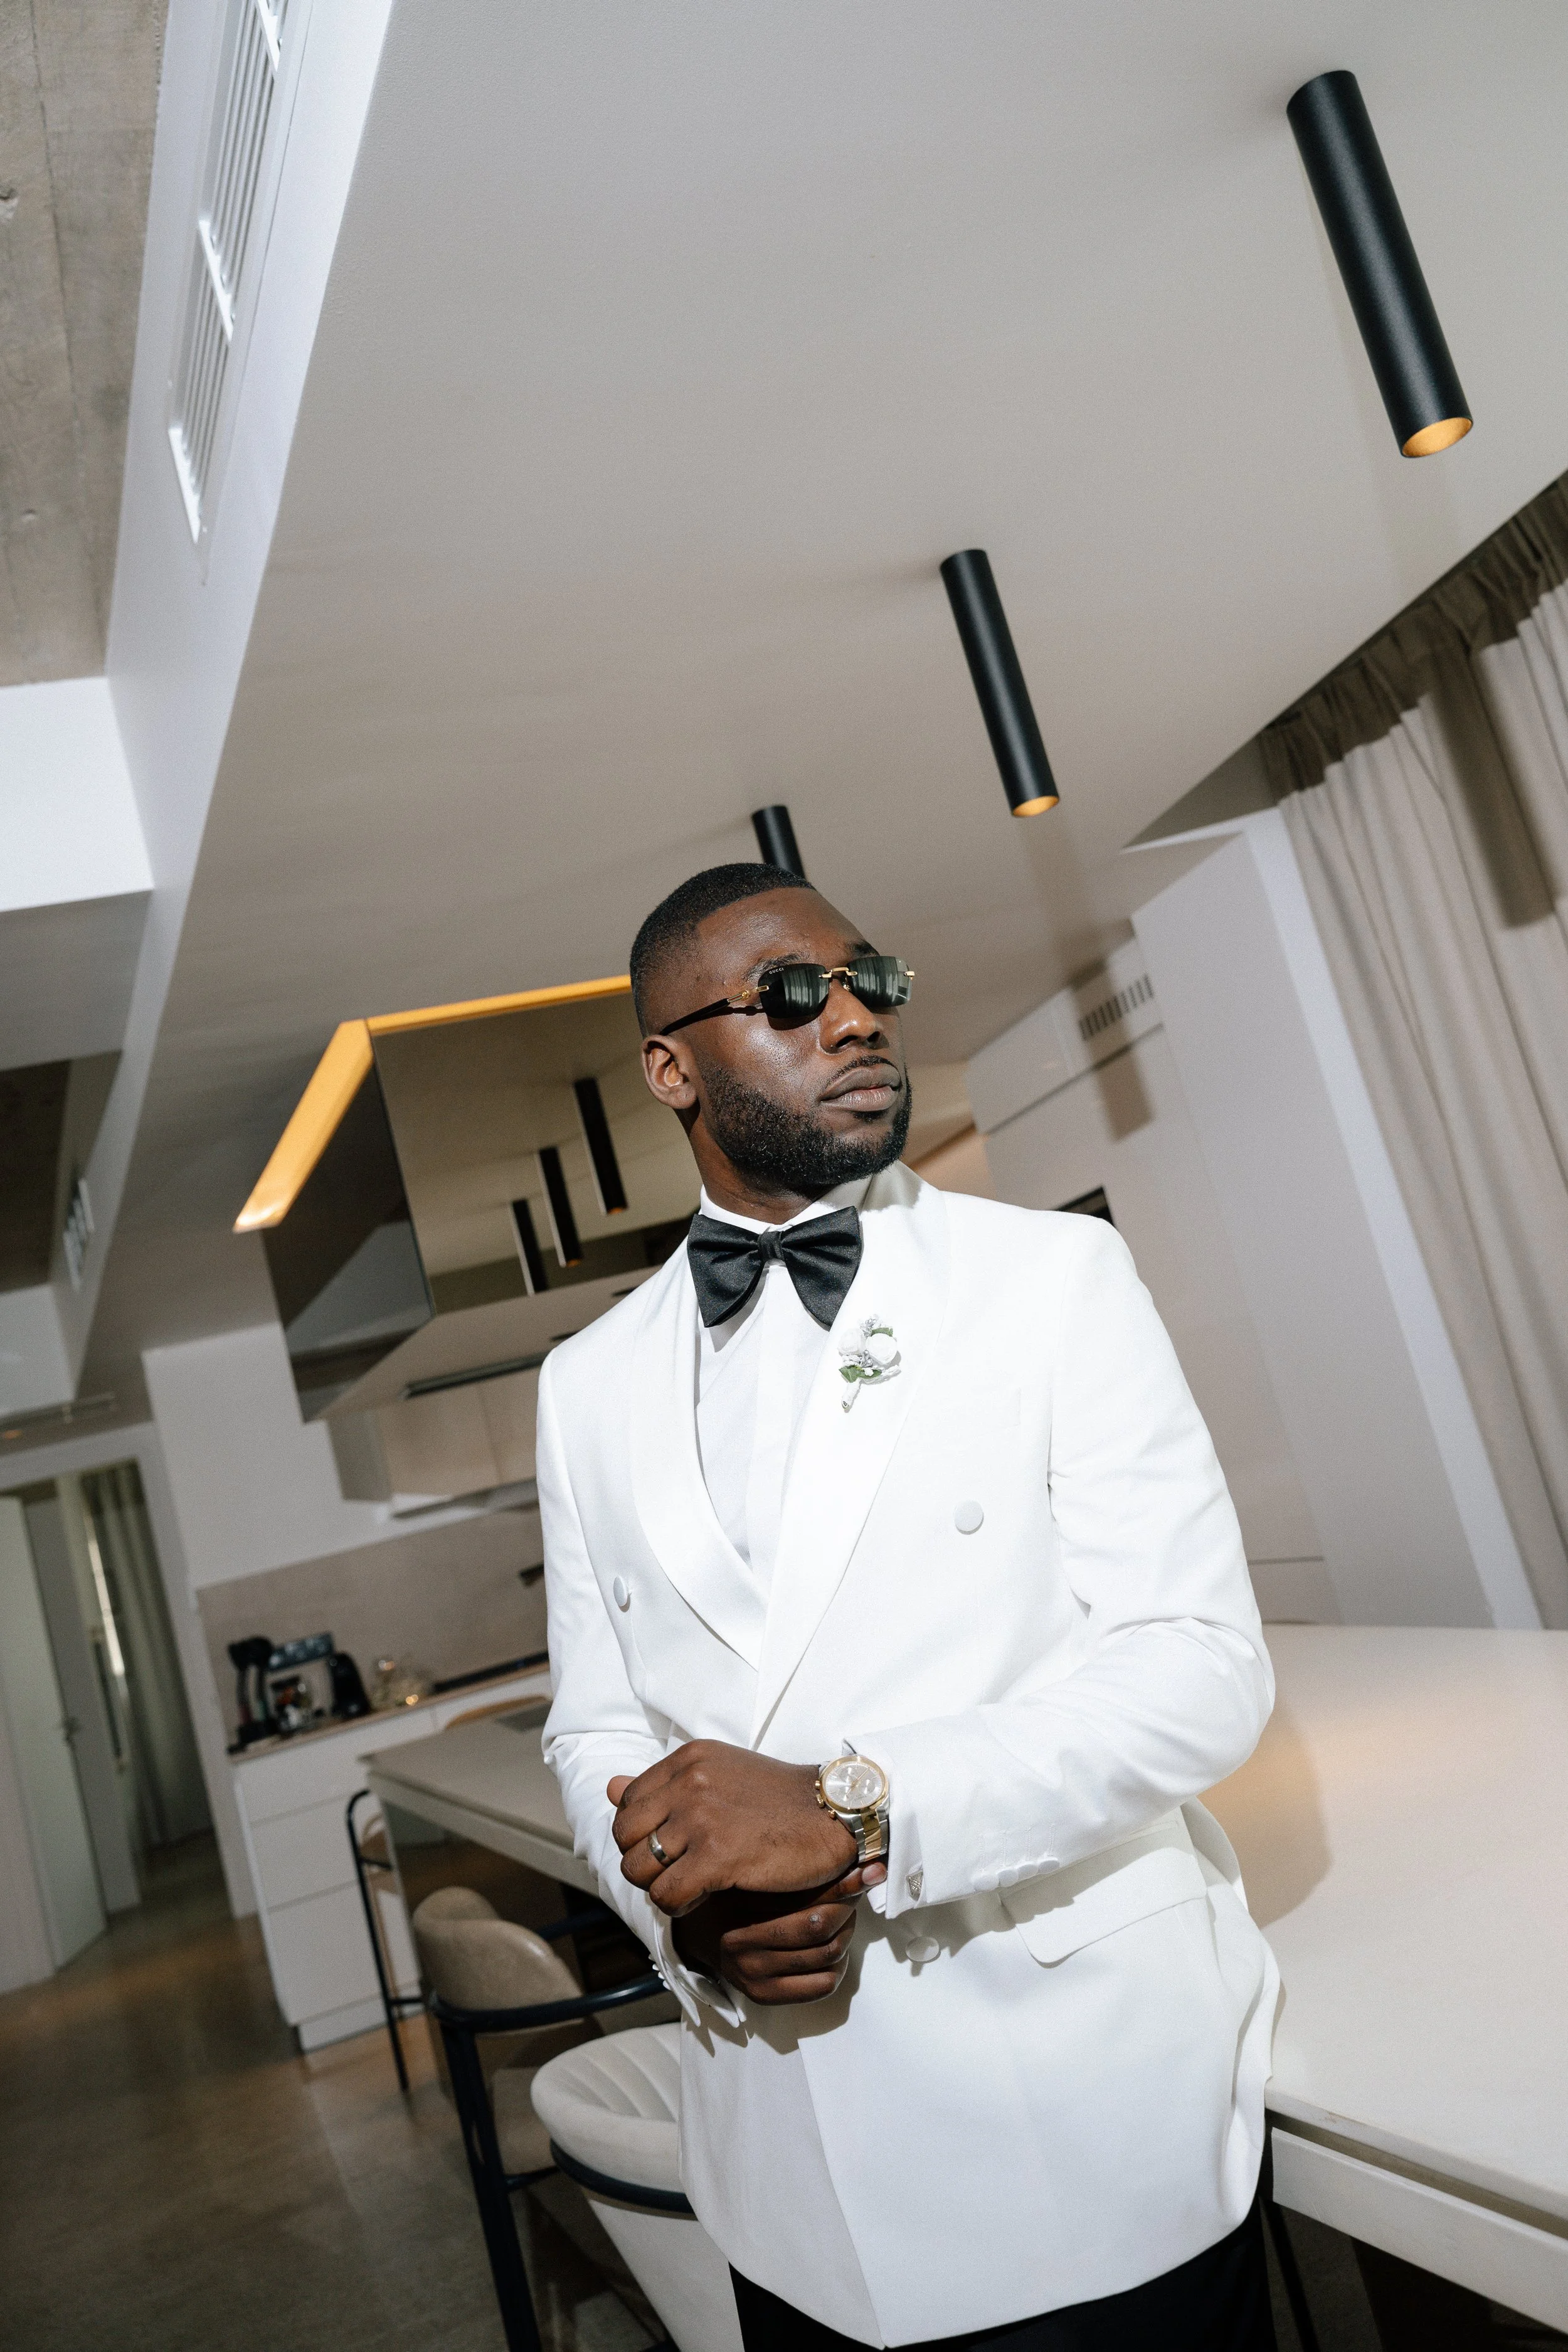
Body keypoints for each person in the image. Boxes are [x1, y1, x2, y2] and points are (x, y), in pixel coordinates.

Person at [540, 862, 1279, 2351]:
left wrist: (852, 1812)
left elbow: (1198, 1670)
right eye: (792, 997)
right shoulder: (582, 1385)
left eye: (868, 981)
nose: (855, 1021)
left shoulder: (1050, 1278)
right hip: (785, 2170)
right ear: (671, 1068)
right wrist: (688, 1914)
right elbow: (593, 1726)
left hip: (1077, 2123)